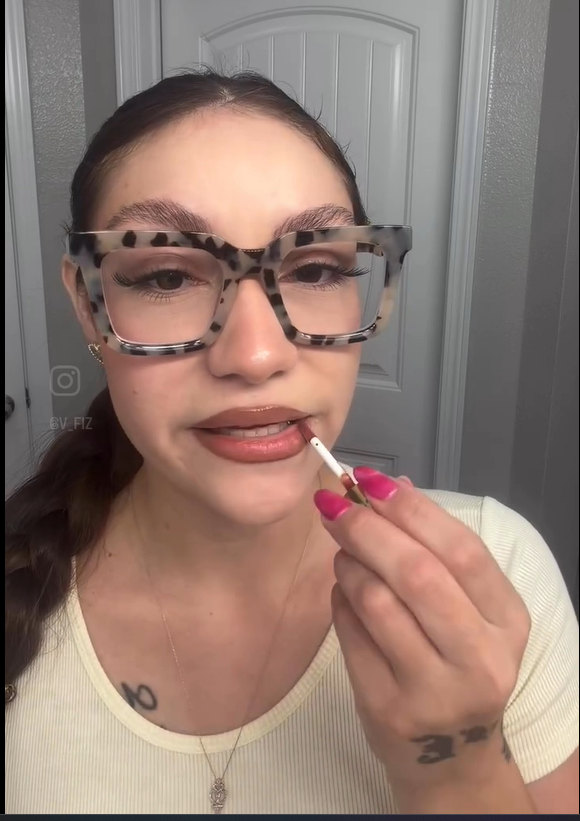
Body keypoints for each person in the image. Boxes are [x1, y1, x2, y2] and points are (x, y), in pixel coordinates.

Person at [5, 70, 578, 815]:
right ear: (88, 305)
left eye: (313, 267)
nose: (257, 355)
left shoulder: (498, 574)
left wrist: (454, 766)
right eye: (168, 274)